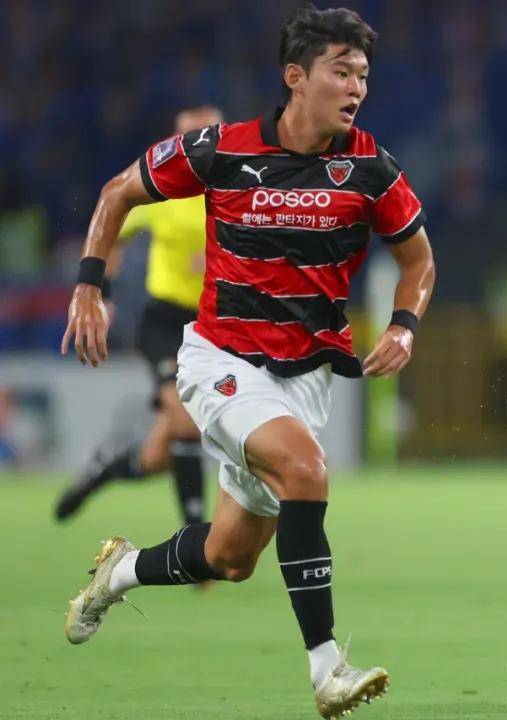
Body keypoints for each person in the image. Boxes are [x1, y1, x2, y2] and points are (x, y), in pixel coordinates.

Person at [59, 6, 435, 718]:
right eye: (341, 72)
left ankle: (120, 572)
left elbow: (418, 260)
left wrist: (406, 326)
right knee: (306, 471)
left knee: (231, 558)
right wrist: (88, 286)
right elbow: (118, 193)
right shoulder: (220, 150)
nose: (356, 87)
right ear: (296, 77)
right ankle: (327, 669)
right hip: (220, 360)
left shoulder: (370, 167)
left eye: (363, 75)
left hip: (307, 379)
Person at [54, 105, 222, 526]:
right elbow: (112, 230)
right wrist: (102, 293)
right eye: (187, 136)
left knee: (159, 455)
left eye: (205, 134)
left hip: (217, 326)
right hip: (166, 321)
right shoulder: (166, 189)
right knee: (186, 425)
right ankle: (195, 534)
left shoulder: (237, 191)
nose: (196, 145)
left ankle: (103, 469)